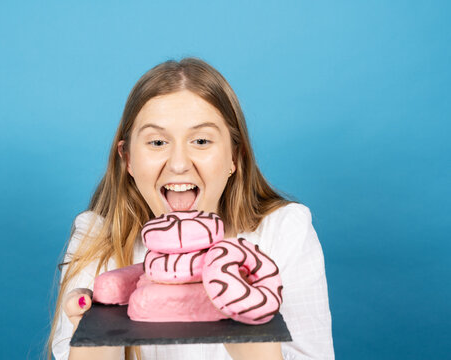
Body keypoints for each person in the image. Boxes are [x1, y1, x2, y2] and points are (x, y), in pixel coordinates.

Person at [46, 57, 334, 360]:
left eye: (201, 140)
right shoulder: (96, 238)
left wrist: (254, 343)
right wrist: (95, 345)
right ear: (128, 158)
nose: (180, 164)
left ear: (234, 156)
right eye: (157, 142)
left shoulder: (286, 231)